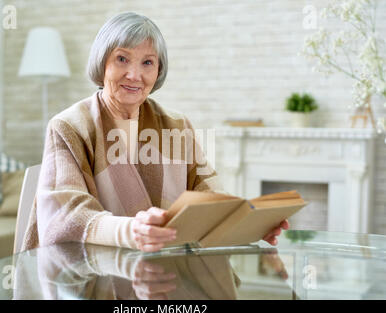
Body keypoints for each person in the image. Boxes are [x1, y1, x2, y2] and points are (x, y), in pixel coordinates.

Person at [21, 12, 288, 253]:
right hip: (96, 275)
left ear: (158, 70)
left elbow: (211, 197)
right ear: (103, 63)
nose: (134, 75)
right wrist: (132, 232)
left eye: (147, 62)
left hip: (169, 272)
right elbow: (66, 215)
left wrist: (247, 225)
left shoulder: (178, 125)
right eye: (122, 59)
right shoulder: (68, 126)